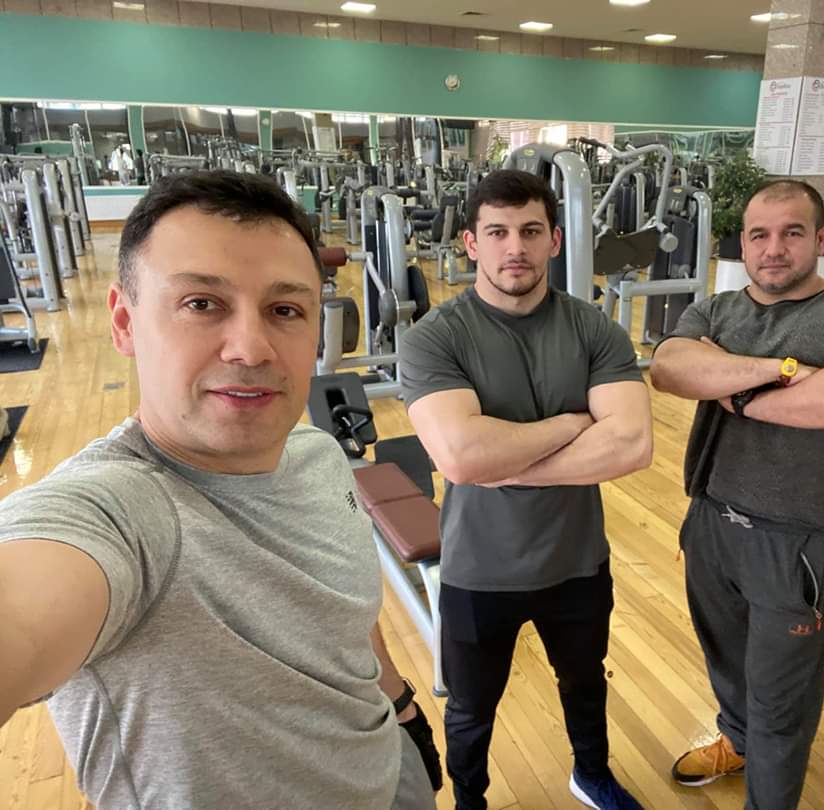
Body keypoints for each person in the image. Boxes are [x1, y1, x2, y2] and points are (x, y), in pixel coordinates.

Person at [0, 171, 439, 810]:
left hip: (390, 770)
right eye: (202, 304)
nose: (251, 348)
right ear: (124, 322)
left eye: (285, 310)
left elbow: (344, 620)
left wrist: (399, 705)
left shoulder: (319, 456)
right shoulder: (118, 512)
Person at [650, 179, 824, 810]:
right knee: (725, 659)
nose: (773, 249)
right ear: (743, 243)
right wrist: (782, 372)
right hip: (709, 517)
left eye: (792, 233)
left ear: (821, 239)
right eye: (759, 235)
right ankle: (736, 739)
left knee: (782, 699)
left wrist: (730, 386)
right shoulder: (717, 309)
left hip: (790, 537)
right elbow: (670, 368)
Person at [399, 170, 653, 810]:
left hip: (577, 559)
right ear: (471, 243)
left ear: (555, 240)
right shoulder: (436, 337)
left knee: (585, 683)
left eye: (531, 231)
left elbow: (631, 444)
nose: (515, 247)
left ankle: (591, 776)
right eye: (498, 232)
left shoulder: (593, 328)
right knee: (471, 707)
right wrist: (573, 424)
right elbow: (463, 455)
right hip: (480, 567)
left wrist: (506, 464)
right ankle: (471, 803)